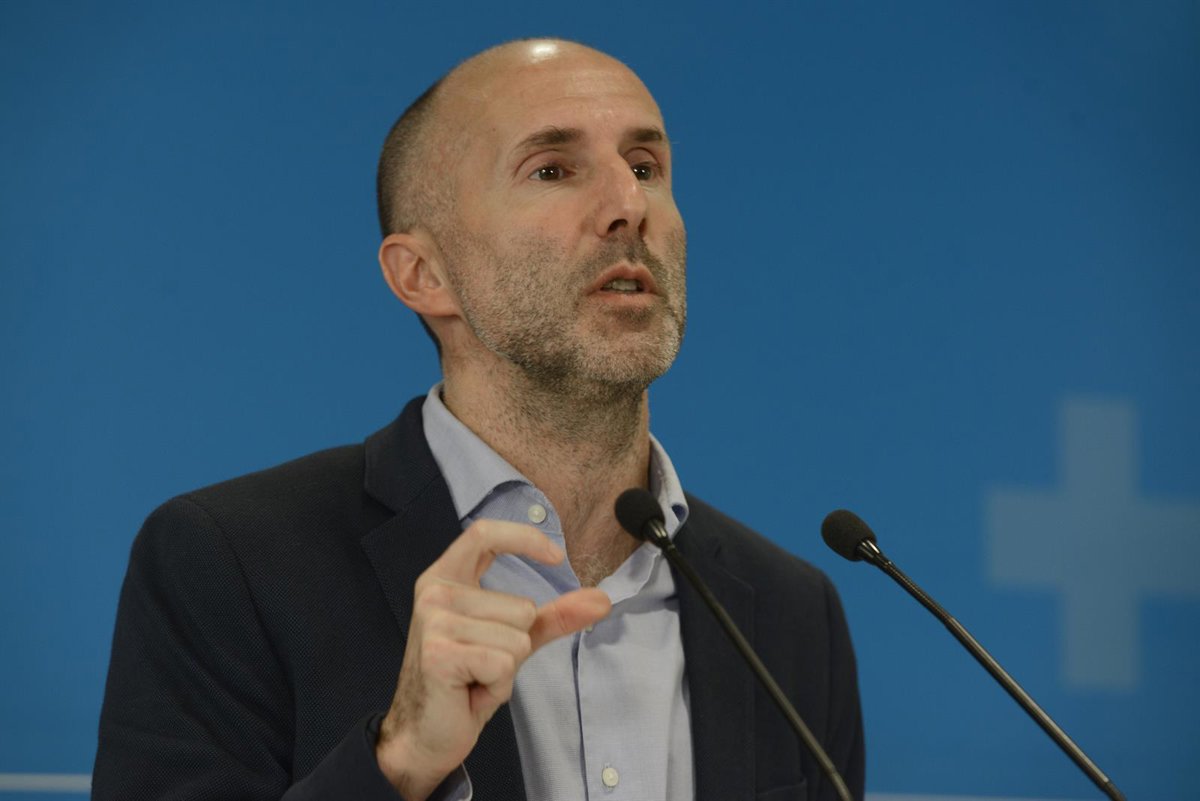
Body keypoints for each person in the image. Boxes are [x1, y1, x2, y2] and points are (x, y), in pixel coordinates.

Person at [93, 38, 865, 801]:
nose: (628, 206)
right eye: (552, 169)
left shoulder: (792, 613)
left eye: (644, 167)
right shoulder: (232, 566)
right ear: (423, 274)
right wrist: (397, 762)